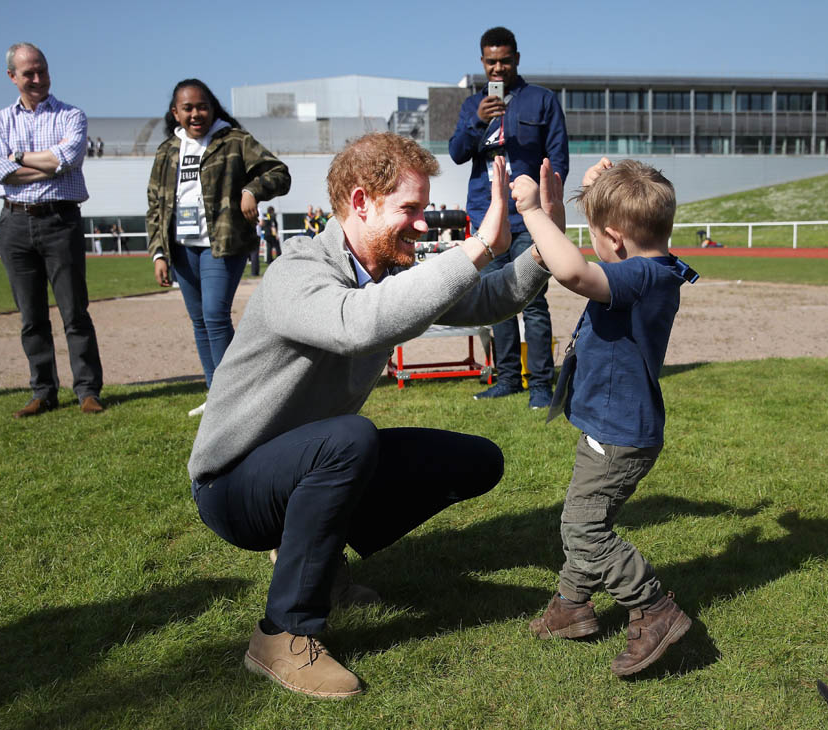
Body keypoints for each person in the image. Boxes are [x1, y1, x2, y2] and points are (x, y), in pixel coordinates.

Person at [187, 132, 553, 698]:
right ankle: (281, 635)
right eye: (409, 209)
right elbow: (359, 323)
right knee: (350, 441)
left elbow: (484, 300)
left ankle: (320, 561)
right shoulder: (297, 270)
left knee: (476, 461)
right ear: (361, 203)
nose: (423, 224)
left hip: (301, 465)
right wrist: (478, 245)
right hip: (231, 487)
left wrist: (543, 243)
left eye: (424, 210)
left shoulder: (385, 273)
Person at [511, 157, 698, 676]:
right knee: (585, 516)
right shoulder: (648, 267)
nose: (589, 244)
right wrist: (597, 189)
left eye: (595, 233)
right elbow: (587, 251)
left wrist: (531, 211)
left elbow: (570, 269)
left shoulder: (639, 276)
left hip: (618, 434)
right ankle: (571, 608)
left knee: (584, 527)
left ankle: (654, 609)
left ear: (615, 240)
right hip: (611, 427)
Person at [146, 78, 290, 417]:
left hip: (221, 243)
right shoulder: (167, 151)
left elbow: (279, 173)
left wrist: (252, 189)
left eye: (202, 106)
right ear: (175, 112)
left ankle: (232, 396)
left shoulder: (235, 141)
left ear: (213, 108)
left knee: (215, 315)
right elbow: (155, 203)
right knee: (199, 320)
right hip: (181, 247)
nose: (196, 114)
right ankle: (216, 395)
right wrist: (158, 253)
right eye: (188, 108)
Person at [0, 42, 105, 418]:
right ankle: (43, 390)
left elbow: (69, 158)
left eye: (42, 70)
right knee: (31, 315)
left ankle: (87, 390)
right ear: (12, 77)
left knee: (74, 311)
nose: (37, 78)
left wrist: (17, 158)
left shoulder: (71, 116)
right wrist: (47, 165)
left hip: (59, 220)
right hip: (15, 222)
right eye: (28, 73)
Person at [449, 26, 569, 409]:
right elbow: (456, 153)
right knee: (493, 300)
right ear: (482, 62)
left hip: (528, 218)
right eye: (490, 62)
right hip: (487, 216)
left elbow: (558, 159)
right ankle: (505, 380)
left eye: (504, 60)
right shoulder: (472, 106)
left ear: (516, 58)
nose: (497, 69)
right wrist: (477, 122)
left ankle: (539, 386)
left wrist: (549, 208)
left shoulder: (542, 101)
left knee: (532, 302)